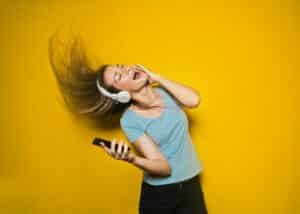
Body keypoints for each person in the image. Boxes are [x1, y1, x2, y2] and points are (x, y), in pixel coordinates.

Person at [49, 36, 208, 214]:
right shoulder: (130, 120)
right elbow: (164, 168)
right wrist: (131, 158)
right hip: (160, 195)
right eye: (119, 75)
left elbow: (194, 100)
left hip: (191, 185)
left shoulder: (166, 91)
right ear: (121, 95)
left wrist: (157, 77)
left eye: (120, 67)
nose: (125, 69)